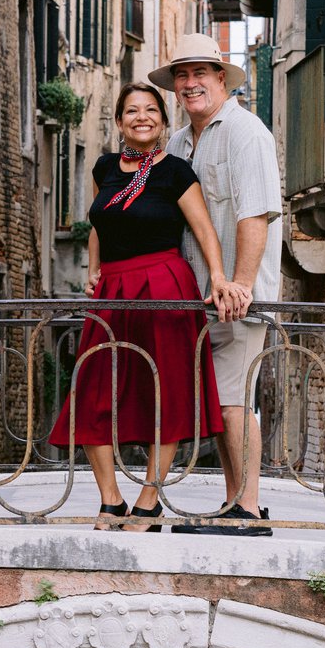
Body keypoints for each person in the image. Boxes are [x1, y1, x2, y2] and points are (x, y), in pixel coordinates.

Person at [46, 81, 244, 530]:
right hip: (113, 289)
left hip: (164, 286)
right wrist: (93, 268)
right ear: (119, 121)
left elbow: (204, 230)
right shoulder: (102, 167)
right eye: (132, 110)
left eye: (151, 110)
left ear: (162, 119)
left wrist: (217, 277)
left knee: (166, 394)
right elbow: (100, 220)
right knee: (93, 392)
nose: (142, 117)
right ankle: (111, 500)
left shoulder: (176, 171)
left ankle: (149, 502)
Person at [152, 34, 281, 536]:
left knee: (233, 400)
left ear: (221, 79)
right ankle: (235, 501)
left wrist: (242, 285)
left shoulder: (247, 134)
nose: (190, 84)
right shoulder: (180, 142)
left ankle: (247, 509)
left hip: (237, 297)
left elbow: (255, 214)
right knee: (221, 400)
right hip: (198, 295)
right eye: (181, 76)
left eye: (200, 73)